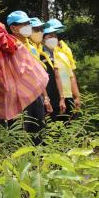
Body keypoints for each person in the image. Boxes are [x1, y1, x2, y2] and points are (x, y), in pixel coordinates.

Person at [7, 11, 51, 143]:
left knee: (38, 132)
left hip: (36, 95)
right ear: (13, 28)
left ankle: (38, 163)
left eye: (28, 23)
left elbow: (38, 75)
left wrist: (45, 97)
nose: (27, 26)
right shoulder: (9, 45)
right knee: (20, 134)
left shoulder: (32, 47)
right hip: (19, 97)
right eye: (23, 24)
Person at [29, 17, 66, 120]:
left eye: (41, 29)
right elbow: (38, 77)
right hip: (39, 99)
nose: (39, 32)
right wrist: (45, 97)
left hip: (54, 98)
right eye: (36, 30)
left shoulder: (47, 53)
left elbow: (56, 76)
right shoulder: (29, 50)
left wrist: (61, 98)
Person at [43, 19, 81, 119]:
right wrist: (60, 98)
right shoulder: (42, 55)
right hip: (54, 98)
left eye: (55, 35)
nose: (54, 38)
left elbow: (71, 75)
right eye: (50, 36)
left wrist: (76, 96)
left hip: (68, 96)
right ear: (43, 38)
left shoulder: (64, 51)